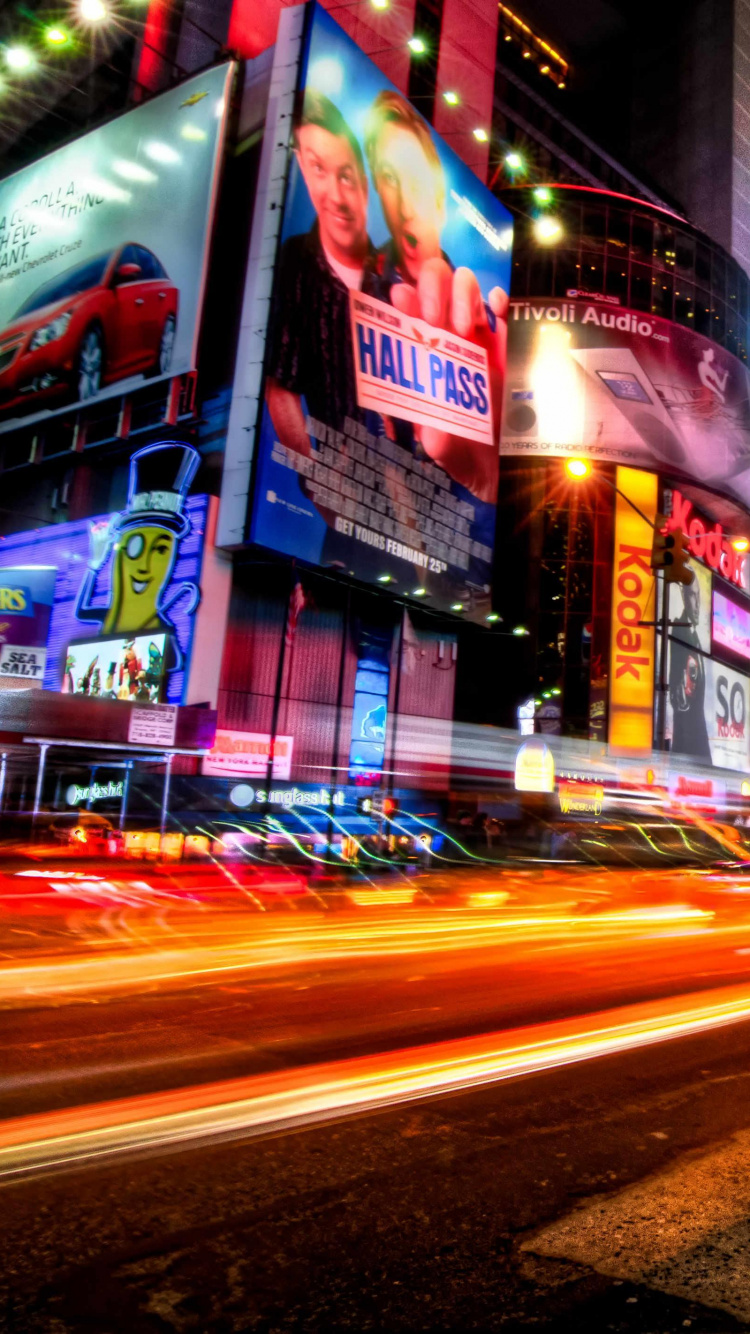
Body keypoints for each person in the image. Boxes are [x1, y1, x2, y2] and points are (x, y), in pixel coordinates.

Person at [363, 89, 508, 504]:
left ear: (441, 202)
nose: (406, 201)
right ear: (377, 189)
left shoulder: (481, 332)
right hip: (343, 546)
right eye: (390, 177)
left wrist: (497, 483)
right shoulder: (349, 288)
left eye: (415, 179)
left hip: (451, 554)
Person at [265, 90, 378, 458]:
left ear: (364, 181)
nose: (335, 195)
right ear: (301, 166)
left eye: (346, 175)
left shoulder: (394, 277)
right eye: (318, 169)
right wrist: (313, 478)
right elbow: (280, 383)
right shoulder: (296, 262)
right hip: (336, 504)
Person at [669, 578, 711, 760]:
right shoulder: (680, 630)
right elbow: (676, 682)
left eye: (698, 596)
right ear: (684, 598)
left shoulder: (695, 637)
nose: (697, 603)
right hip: (687, 743)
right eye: (692, 596)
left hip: (698, 742)